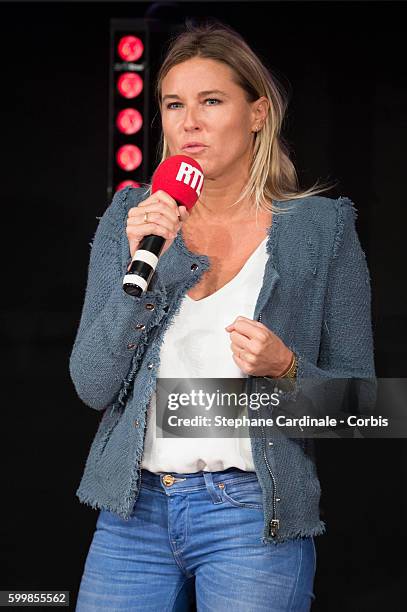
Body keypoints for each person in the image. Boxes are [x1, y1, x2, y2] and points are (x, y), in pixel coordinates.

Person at [70, 20, 375, 612]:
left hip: (252, 515)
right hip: (134, 512)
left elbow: (364, 409)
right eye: (174, 104)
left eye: (211, 101)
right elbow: (92, 384)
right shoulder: (133, 218)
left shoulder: (322, 231)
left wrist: (286, 369)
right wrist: (144, 278)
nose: (190, 122)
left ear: (257, 113)